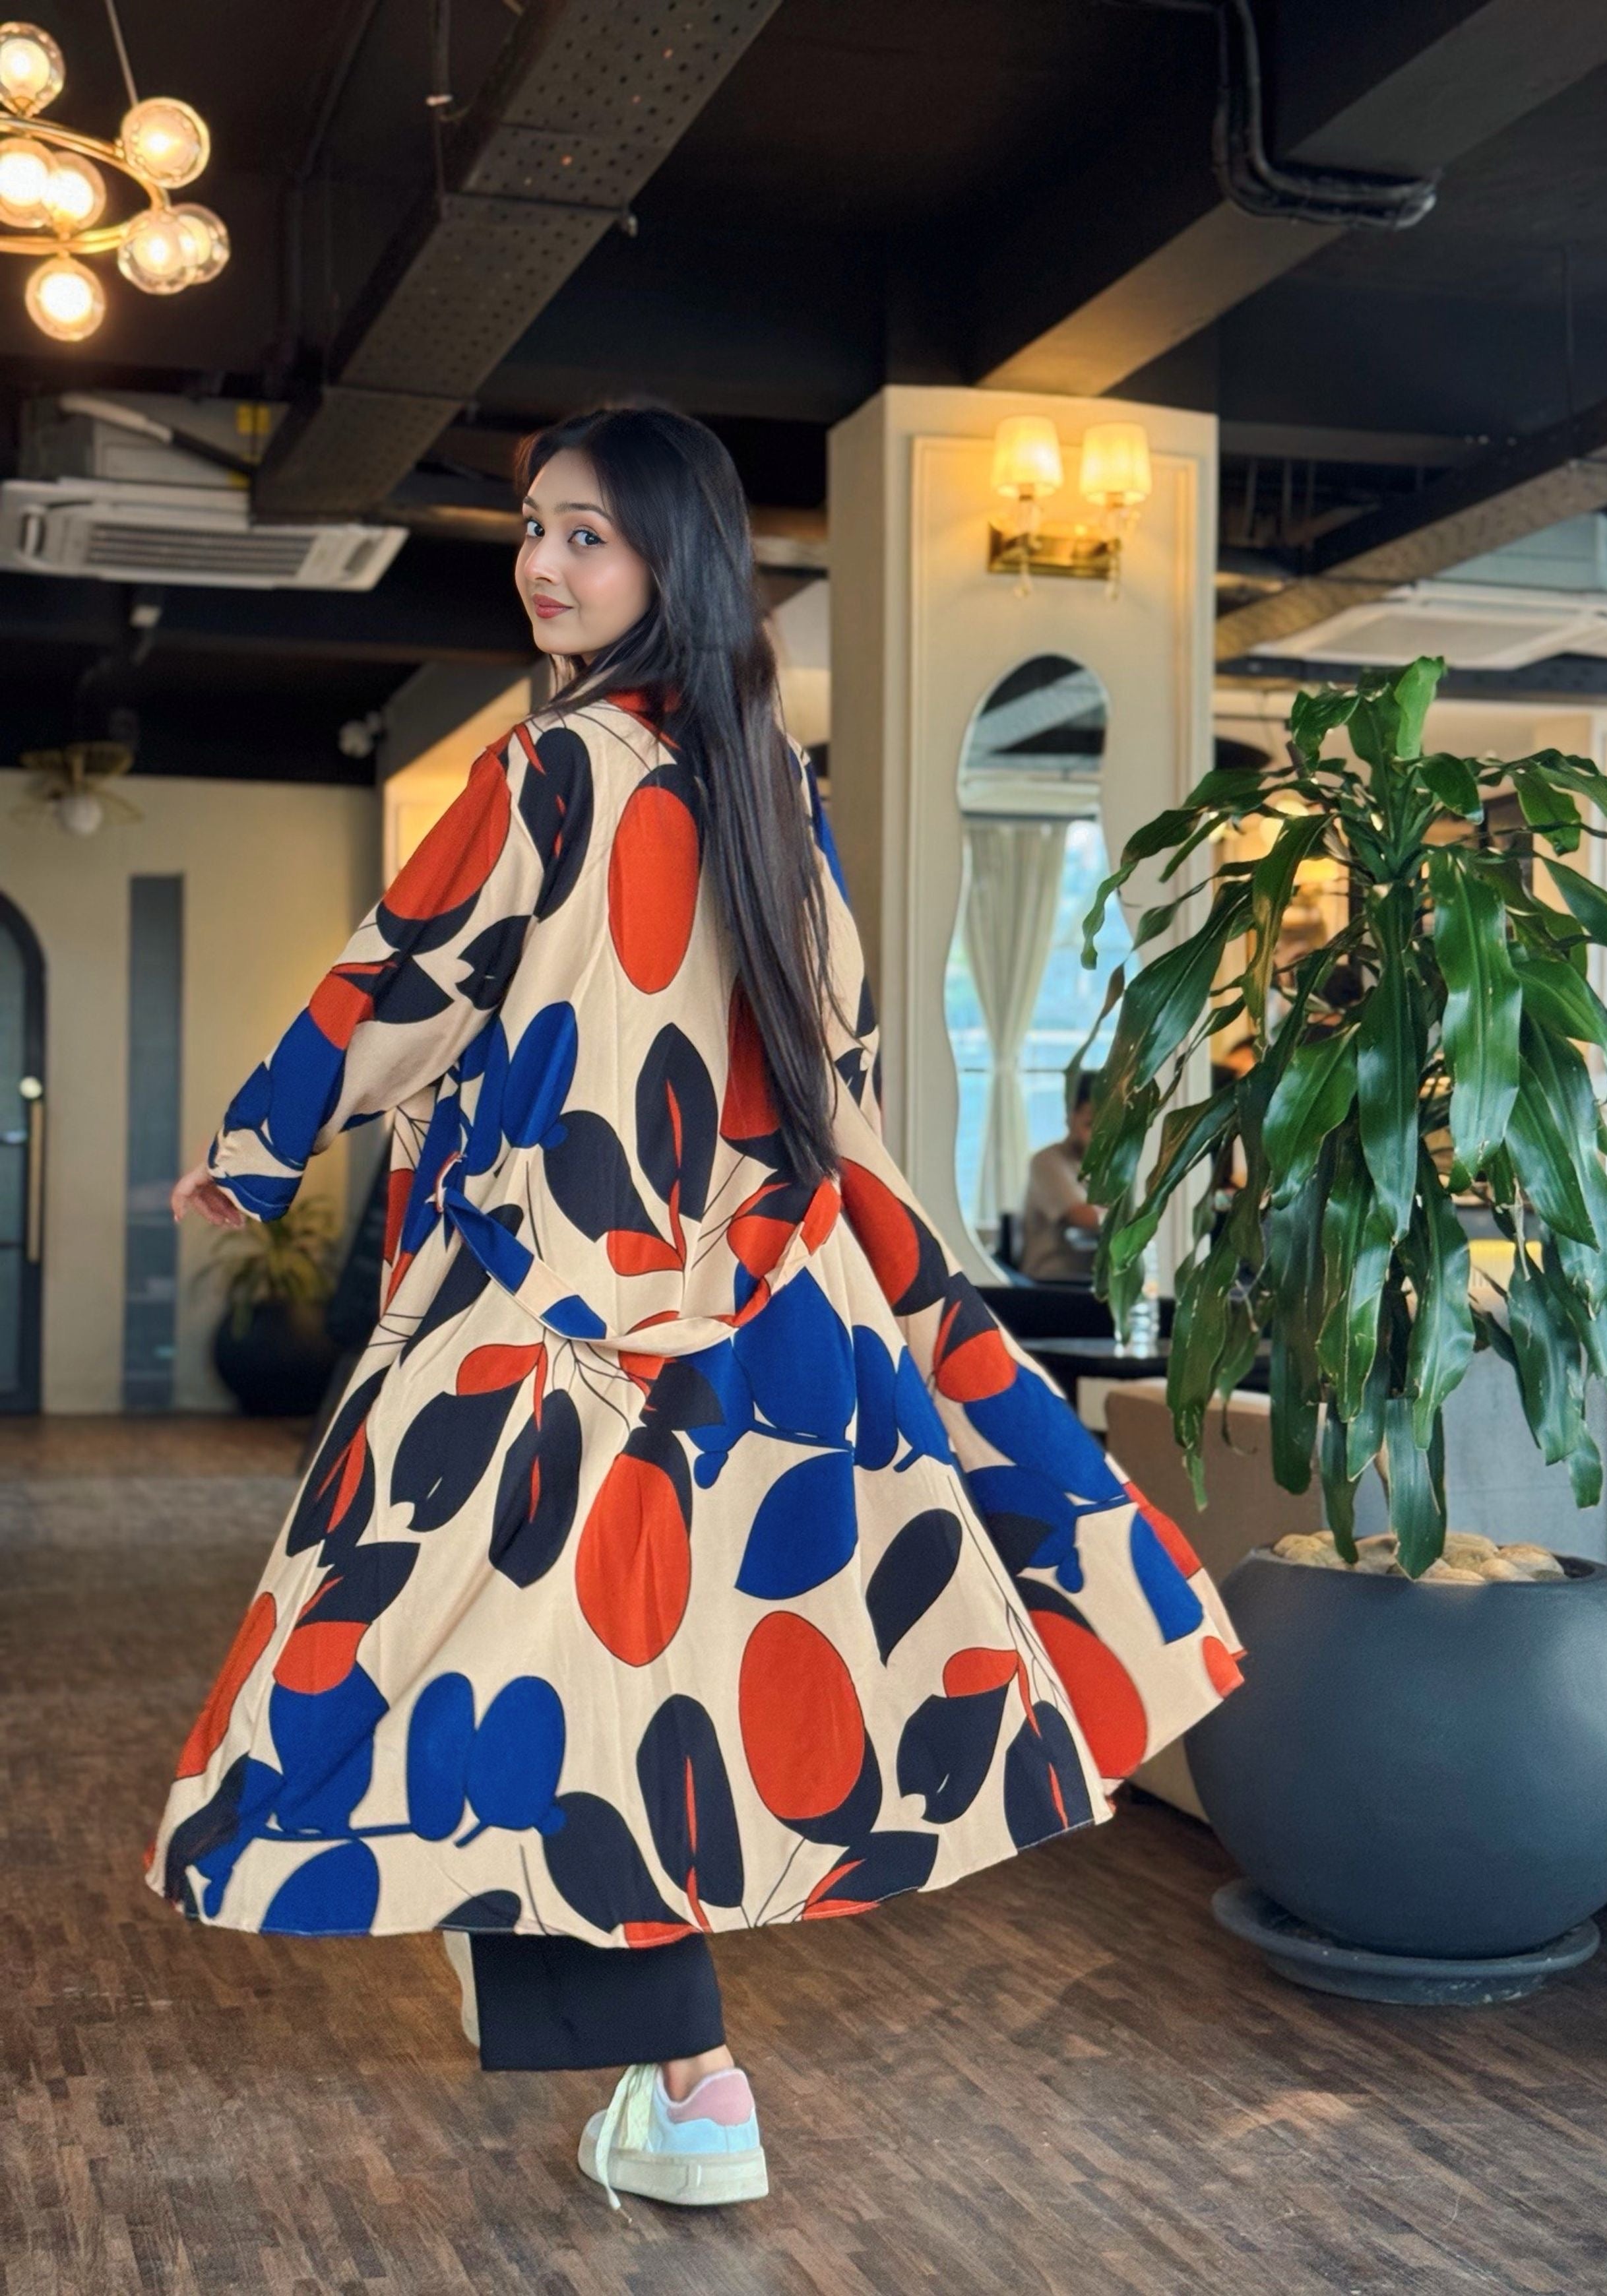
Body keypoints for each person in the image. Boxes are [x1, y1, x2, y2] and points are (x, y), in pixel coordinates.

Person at [149, 403, 1240, 2214]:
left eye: (587, 535)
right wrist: (839, 1254)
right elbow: (841, 1048)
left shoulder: (549, 768)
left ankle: (689, 2073)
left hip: (542, 1300)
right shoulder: (763, 777)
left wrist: (257, 1149)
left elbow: (407, 972)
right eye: (533, 530)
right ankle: (689, 2086)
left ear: (674, 557)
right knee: (641, 1684)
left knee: (424, 1648)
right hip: (748, 1295)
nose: (542, 566)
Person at [1018, 1072, 1102, 1282]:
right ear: (1070, 1118)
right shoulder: (1047, 1161)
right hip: (1051, 1285)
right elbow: (1084, 1217)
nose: (1099, 1136)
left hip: (1089, 1284)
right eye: (1090, 1124)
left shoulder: (1104, 1168)